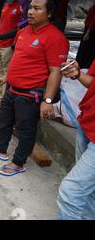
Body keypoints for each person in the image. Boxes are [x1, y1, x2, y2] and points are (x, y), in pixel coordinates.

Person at [0, 0, 69, 176]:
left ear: (50, 13)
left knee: (25, 130)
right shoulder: (23, 31)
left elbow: (56, 72)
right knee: (4, 120)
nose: (31, 12)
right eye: (30, 7)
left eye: (37, 8)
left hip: (30, 94)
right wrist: (7, 76)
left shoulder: (56, 38)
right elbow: (20, 58)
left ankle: (18, 163)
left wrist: (47, 100)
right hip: (12, 89)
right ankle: (1, 149)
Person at [57, 59, 95, 220]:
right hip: (88, 122)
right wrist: (78, 74)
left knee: (71, 190)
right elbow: (92, 83)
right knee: (89, 190)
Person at [76, 2, 95, 69]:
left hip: (91, 29)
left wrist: (88, 32)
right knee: (86, 47)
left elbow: (94, 20)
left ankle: (84, 64)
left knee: (86, 48)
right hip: (89, 28)